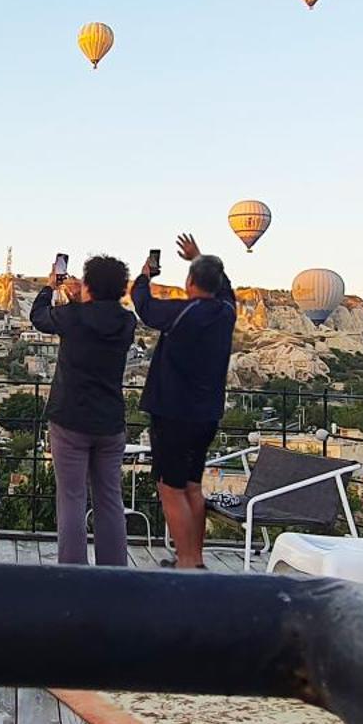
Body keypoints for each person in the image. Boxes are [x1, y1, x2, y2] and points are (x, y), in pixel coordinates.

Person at [131, 234, 235, 569]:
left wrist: (145, 275)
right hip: (207, 415)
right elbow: (225, 287)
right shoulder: (225, 312)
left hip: (173, 413)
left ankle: (187, 564)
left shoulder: (182, 313)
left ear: (190, 282)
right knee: (192, 486)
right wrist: (199, 257)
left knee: (170, 489)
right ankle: (196, 558)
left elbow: (144, 306)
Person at [29, 254, 136, 566]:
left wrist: (52, 288)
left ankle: (73, 574)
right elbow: (101, 317)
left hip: (70, 419)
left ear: (87, 284)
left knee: (72, 500)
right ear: (121, 289)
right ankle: (114, 572)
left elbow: (39, 316)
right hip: (110, 422)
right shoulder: (127, 322)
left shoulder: (71, 316)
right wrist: (81, 300)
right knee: (110, 501)